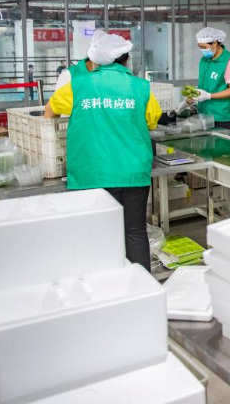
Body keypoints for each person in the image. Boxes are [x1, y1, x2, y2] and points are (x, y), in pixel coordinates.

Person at [44, 30, 162, 272]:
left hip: (92, 172)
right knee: (135, 231)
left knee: (97, 233)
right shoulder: (141, 87)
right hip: (132, 172)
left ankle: (103, 290)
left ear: (96, 60)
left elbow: (50, 110)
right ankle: (142, 291)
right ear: (126, 60)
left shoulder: (77, 86)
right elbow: (152, 120)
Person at [176, 27, 230, 131]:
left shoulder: (228, 61)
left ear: (214, 43)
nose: (202, 50)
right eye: (200, 47)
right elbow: (205, 87)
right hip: (204, 114)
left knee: (219, 146)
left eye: (204, 47)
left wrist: (209, 96)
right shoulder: (204, 61)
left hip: (220, 117)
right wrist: (187, 102)